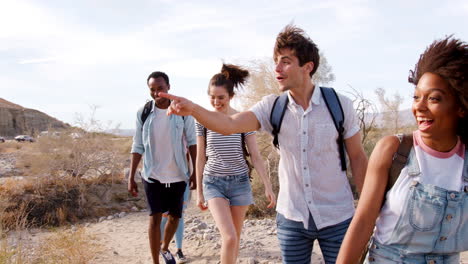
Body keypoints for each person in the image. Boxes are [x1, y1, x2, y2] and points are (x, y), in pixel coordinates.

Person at [159, 24, 368, 264]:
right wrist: (194, 109)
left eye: (286, 62)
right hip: (292, 218)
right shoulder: (272, 107)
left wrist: (367, 210)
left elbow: (359, 158)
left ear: (307, 67)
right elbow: (228, 124)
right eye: (276, 61)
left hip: (337, 217)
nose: (277, 69)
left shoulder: (340, 105)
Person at [336, 36, 468, 264]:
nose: (419, 106)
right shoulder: (394, 150)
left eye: (434, 98)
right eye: (416, 97)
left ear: (461, 107)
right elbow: (363, 221)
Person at [195, 64, 276, 264]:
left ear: (231, 96)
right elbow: (199, 157)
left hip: (240, 183)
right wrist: (199, 192)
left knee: (235, 240)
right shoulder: (203, 120)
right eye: (212, 97)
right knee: (229, 237)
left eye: (220, 97)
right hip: (213, 183)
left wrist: (268, 186)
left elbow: (255, 156)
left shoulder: (243, 120)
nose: (216, 102)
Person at [128, 71, 197, 264]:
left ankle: (165, 247)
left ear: (168, 87)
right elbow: (137, 145)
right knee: (154, 218)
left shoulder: (182, 111)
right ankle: (156, 261)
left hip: (177, 174)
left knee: (175, 217)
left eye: (160, 88)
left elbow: (192, 142)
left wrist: (194, 173)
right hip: (152, 175)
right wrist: (131, 176)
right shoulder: (143, 112)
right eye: (153, 90)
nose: (157, 93)